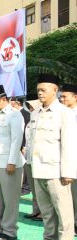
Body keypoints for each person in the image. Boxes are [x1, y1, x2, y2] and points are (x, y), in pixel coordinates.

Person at [30, 74, 77, 240]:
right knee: (47, 214)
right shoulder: (35, 114)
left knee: (64, 214)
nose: (40, 93)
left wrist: (68, 172)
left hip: (57, 173)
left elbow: (69, 144)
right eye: (38, 90)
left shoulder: (65, 113)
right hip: (38, 170)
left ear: (55, 91)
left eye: (44, 89)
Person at [0, 85, 25, 240]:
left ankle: (10, 232)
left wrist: (12, 162)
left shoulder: (14, 115)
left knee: (10, 200)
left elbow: (16, 140)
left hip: (9, 163)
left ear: (3, 99)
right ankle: (0, 228)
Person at [60, 83, 77, 235]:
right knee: (68, 196)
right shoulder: (61, 113)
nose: (62, 99)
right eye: (61, 97)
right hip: (64, 161)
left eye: (65, 96)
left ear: (75, 97)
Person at [22, 98, 42, 222]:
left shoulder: (41, 121)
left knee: (40, 190)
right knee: (34, 189)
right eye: (29, 107)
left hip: (39, 160)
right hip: (28, 159)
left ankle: (42, 212)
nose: (30, 109)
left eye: (33, 107)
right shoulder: (29, 122)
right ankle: (35, 210)